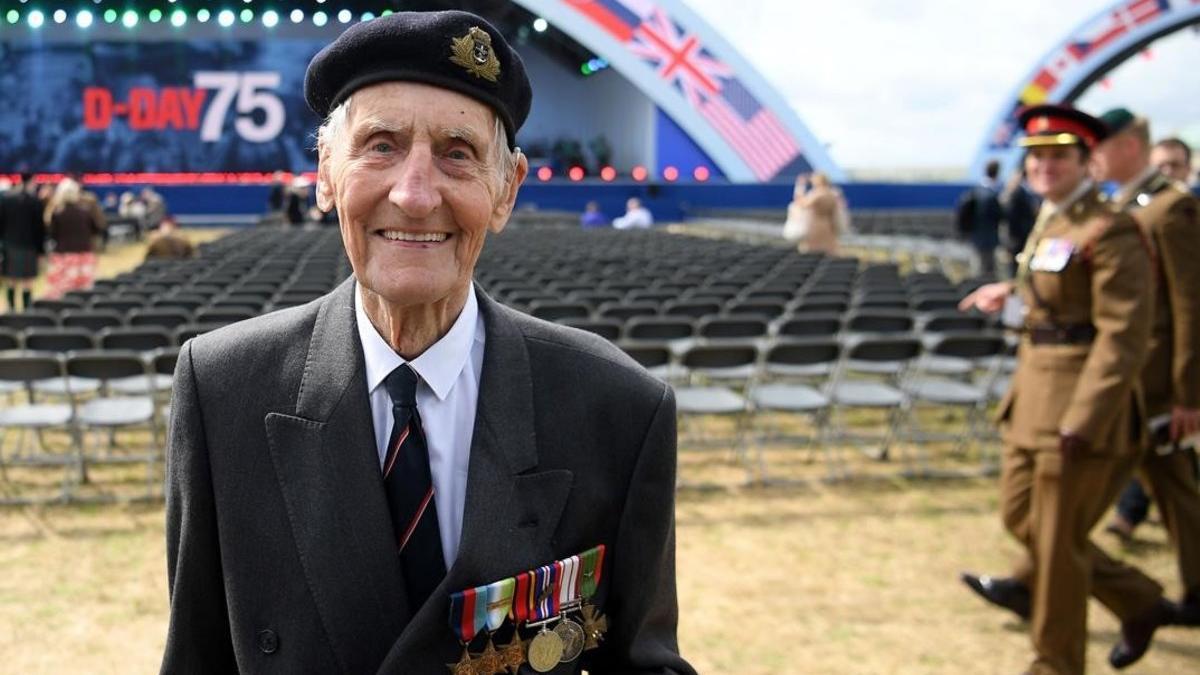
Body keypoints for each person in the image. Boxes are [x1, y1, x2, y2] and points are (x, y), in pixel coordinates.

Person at [161, 11, 694, 675]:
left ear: (507, 190)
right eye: (380, 145)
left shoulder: (618, 409)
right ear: (326, 173)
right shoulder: (223, 391)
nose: (414, 195)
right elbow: (195, 657)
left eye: (458, 154)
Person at [958, 104, 1173, 674]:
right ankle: (1139, 599)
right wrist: (1009, 291)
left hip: (1076, 410)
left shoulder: (1111, 226)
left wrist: (1086, 415)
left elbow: (1124, 334)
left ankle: (1055, 663)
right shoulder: (1055, 220)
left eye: (1059, 156)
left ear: (1086, 161)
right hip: (1032, 399)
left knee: (1056, 548)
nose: (1045, 167)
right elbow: (1060, 285)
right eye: (1037, 157)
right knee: (1022, 518)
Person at [1090, 108, 1200, 622]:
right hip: (1131, 375)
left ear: (1128, 146)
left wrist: (1189, 393)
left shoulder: (1171, 209)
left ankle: (1034, 575)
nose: (1093, 156)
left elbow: (1189, 304)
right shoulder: (1125, 204)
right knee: (1178, 490)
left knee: (1075, 492)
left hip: (1153, 381)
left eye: (1101, 144)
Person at [43, 178, 103, 299]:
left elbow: (52, 234)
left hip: (63, 256)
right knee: (83, 291)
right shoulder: (85, 213)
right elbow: (97, 228)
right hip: (83, 254)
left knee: (61, 292)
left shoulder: (57, 214)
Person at [0, 173, 46, 311]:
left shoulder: (6, 199)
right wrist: (41, 251)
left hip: (9, 245)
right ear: (32, 180)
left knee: (11, 280)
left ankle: (11, 308)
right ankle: (27, 310)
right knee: (28, 281)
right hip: (29, 246)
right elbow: (39, 230)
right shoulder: (35, 201)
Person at [956, 160, 1004, 276]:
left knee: (979, 267)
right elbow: (998, 216)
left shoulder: (975, 191)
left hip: (976, 236)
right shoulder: (990, 194)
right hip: (987, 238)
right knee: (985, 270)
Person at [1001, 168, 1040, 277]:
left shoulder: (1029, 192)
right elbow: (1011, 217)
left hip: (1026, 237)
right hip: (1018, 238)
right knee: (1016, 269)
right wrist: (1012, 240)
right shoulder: (1018, 193)